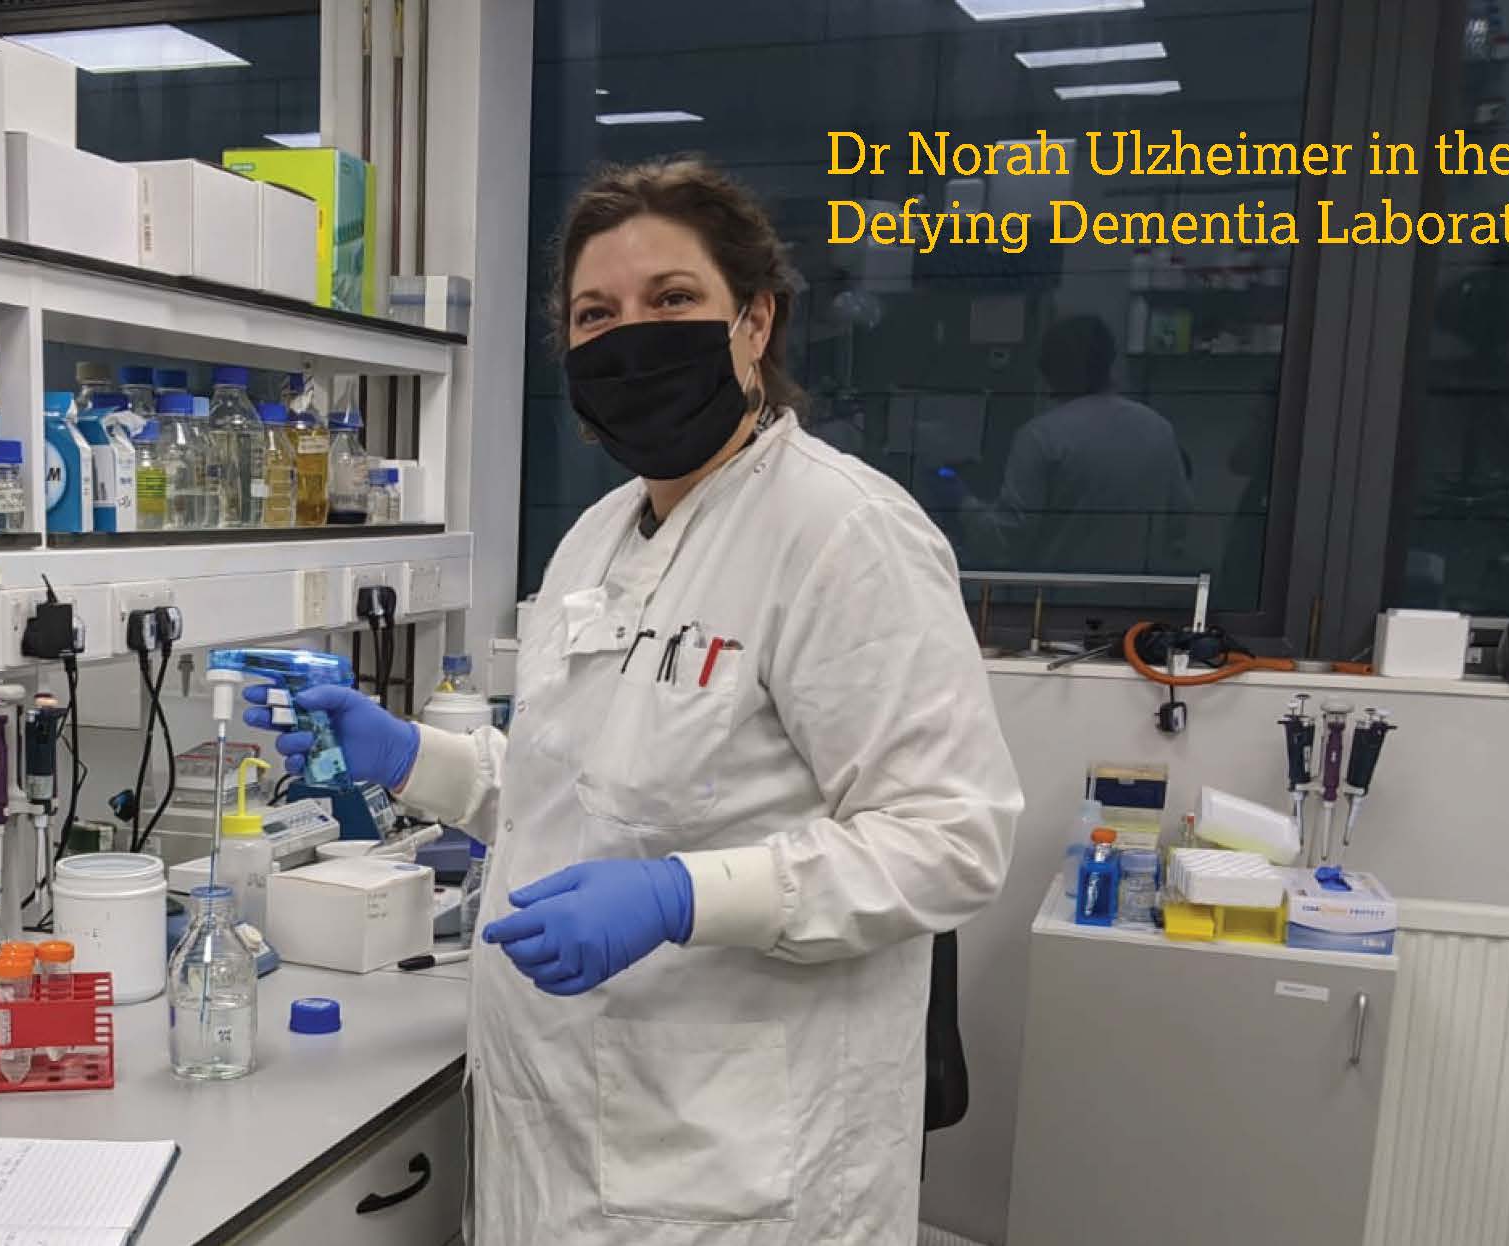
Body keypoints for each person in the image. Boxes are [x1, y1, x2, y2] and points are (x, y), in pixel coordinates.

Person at [246, 157, 1021, 1244]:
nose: (628, 339)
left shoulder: (842, 533)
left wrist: (679, 896)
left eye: (671, 302)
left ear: (753, 321)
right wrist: (409, 759)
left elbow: (949, 840)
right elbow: (580, 794)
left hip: (738, 1163)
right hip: (555, 1131)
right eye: (593, 315)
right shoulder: (595, 539)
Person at [957, 313, 1194, 573]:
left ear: (1049, 370)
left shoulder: (1042, 437)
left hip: (1059, 605)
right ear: (1108, 361)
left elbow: (1007, 538)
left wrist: (960, 502)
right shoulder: (1159, 430)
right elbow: (1177, 526)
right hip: (1135, 603)